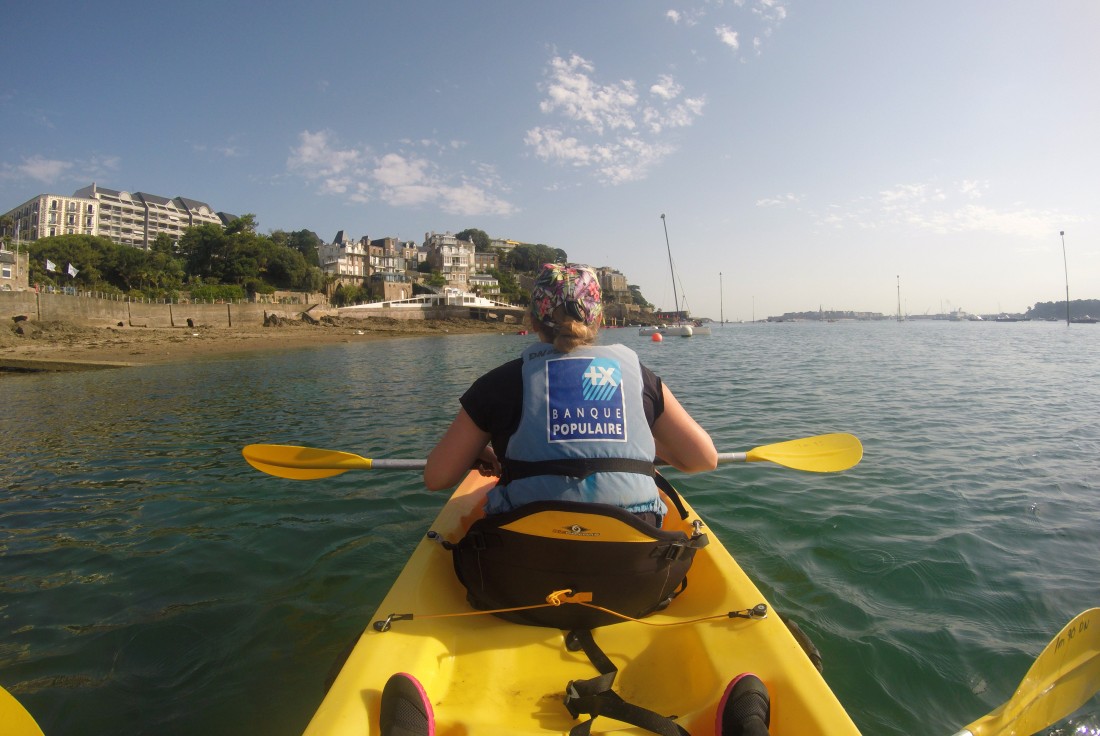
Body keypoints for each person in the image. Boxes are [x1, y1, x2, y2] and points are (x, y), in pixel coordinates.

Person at [424, 262, 717, 525]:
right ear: (599, 319)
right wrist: (642, 445)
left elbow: (437, 478)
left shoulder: (496, 384)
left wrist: (475, 449)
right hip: (633, 561)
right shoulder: (641, 378)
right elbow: (704, 459)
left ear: (533, 321)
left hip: (526, 555)